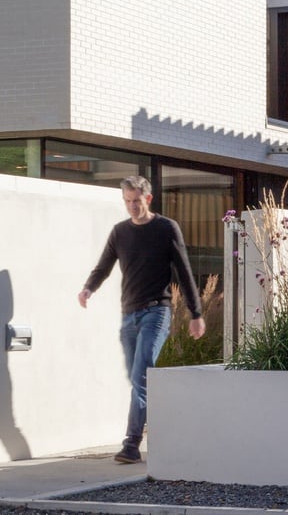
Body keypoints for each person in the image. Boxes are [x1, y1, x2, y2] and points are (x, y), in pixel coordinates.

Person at [78, 175, 205, 464]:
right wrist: (88, 288)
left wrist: (196, 314)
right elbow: (104, 266)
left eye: (136, 201)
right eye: (127, 201)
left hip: (156, 312)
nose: (132, 206)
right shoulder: (119, 232)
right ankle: (171, 428)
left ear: (148, 199)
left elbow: (184, 273)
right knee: (137, 380)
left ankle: (131, 444)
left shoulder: (165, 228)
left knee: (141, 378)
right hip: (128, 316)